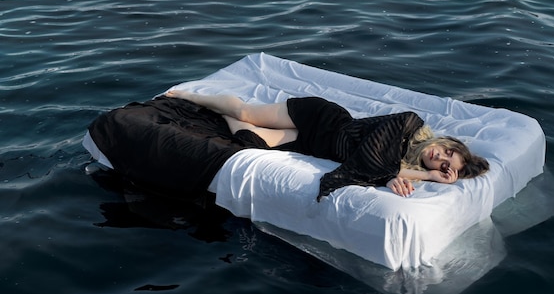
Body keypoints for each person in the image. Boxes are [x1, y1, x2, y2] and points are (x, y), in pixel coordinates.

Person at [165, 90, 489, 200]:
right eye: (448, 152)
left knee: (248, 139)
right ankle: (194, 96)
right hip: (323, 118)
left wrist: (428, 177)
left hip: (315, 145)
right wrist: (390, 174)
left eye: (445, 166)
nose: (440, 157)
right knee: (245, 111)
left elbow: (381, 169)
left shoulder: (407, 168)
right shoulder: (411, 125)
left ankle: (214, 112)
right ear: (447, 142)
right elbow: (377, 162)